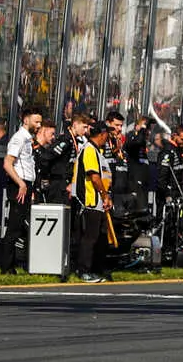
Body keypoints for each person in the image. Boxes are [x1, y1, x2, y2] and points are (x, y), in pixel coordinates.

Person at [70, 117, 113, 283]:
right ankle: (83, 271)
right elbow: (94, 177)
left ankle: (95, 269)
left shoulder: (96, 151)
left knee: (99, 237)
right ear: (102, 134)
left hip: (98, 203)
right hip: (89, 201)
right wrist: (104, 195)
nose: (108, 138)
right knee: (89, 238)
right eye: (107, 134)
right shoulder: (89, 150)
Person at [0, 109, 41, 274]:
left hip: (26, 185)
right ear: (26, 120)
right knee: (14, 227)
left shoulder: (28, 139)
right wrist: (21, 184)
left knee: (20, 226)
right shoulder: (19, 138)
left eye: (40, 122)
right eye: (36, 122)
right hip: (19, 186)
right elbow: (7, 163)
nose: (39, 125)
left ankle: (16, 264)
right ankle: (7, 267)